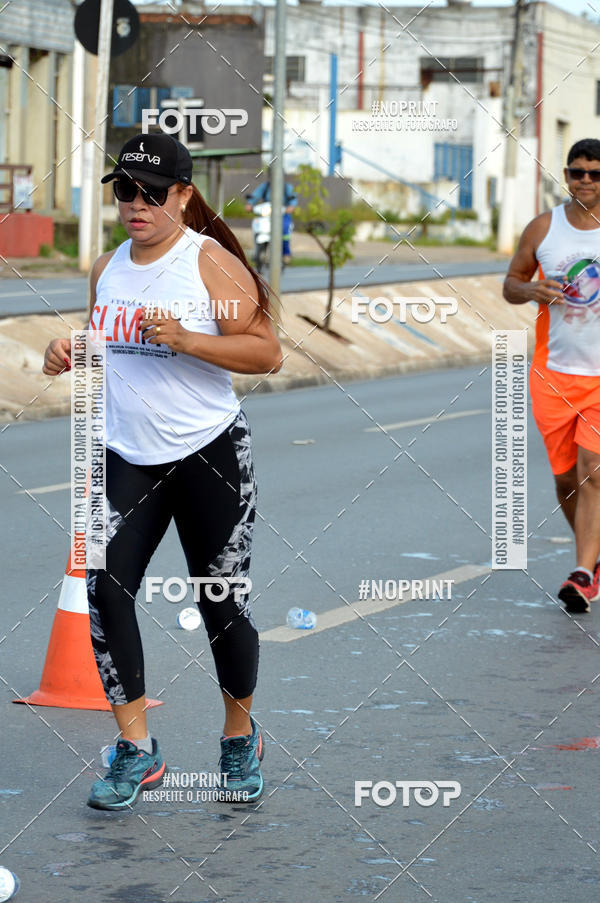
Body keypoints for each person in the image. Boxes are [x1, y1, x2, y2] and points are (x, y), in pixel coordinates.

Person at [42, 132, 282, 808]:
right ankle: (136, 750)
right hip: (129, 456)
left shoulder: (209, 262)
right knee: (105, 592)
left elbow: (268, 353)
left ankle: (239, 736)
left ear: (182, 195)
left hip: (209, 452)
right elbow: (111, 343)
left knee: (220, 602)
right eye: (125, 190)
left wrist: (190, 340)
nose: (136, 205)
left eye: (152, 193)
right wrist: (71, 350)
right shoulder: (107, 267)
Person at [503, 137, 600, 614]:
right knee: (566, 480)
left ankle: (582, 574)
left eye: (594, 173)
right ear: (566, 175)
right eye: (576, 171)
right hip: (554, 373)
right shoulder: (544, 228)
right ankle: (594, 556)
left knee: (593, 472)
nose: (584, 180)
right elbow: (510, 283)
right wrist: (531, 290)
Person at [245, 173, 297, 263]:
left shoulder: (286, 187)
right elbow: (256, 195)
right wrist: (250, 204)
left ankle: (286, 253)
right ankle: (256, 251)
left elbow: (293, 199)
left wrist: (291, 206)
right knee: (257, 224)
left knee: (285, 229)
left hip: (282, 213)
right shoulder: (265, 186)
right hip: (267, 212)